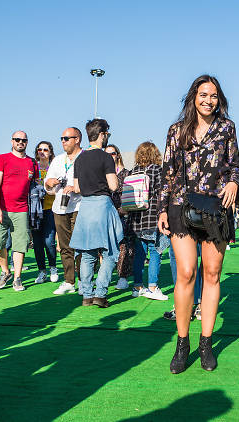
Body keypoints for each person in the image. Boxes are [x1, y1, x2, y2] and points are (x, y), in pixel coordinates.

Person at [157, 75, 239, 374]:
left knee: (213, 272)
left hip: (217, 208)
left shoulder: (227, 127)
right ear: (193, 96)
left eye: (214, 96)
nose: (208, 100)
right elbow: (168, 172)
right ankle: (183, 342)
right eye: (203, 94)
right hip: (181, 205)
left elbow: (234, 165)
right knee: (186, 271)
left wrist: (233, 183)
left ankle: (206, 342)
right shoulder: (176, 130)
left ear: (219, 99)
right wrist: (162, 209)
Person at [70, 118, 122, 308]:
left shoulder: (80, 158)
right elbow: (113, 185)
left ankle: (86, 295)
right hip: (102, 206)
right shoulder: (106, 157)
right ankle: (100, 294)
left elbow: (76, 187)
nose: (107, 137)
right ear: (101, 135)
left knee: (87, 254)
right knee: (108, 253)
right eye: (107, 134)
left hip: (86, 207)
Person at [0, 131, 37, 292]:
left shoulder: (32, 163)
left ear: (27, 142)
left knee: (20, 245)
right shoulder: (2, 159)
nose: (20, 142)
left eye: (23, 140)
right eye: (17, 139)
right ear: (12, 141)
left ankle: (17, 278)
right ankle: (5, 271)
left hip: (21, 209)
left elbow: (35, 186)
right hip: (1, 208)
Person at [126, 141, 168, 300]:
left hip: (135, 218)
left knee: (139, 254)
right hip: (152, 216)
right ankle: (152, 287)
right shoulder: (158, 170)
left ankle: (137, 286)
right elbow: (161, 193)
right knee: (155, 251)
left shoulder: (133, 171)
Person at [45, 127, 83, 295]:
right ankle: (69, 281)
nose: (63, 141)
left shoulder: (86, 157)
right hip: (60, 206)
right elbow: (46, 184)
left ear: (77, 139)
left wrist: (76, 188)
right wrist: (50, 182)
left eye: (67, 138)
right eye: (62, 138)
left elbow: (93, 182)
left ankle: (84, 280)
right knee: (65, 246)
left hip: (80, 206)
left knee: (82, 245)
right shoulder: (58, 160)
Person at [106, 144, 134, 289]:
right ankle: (107, 273)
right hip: (106, 214)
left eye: (112, 153)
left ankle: (123, 277)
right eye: (107, 154)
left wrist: (120, 211)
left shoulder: (127, 174)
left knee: (124, 245)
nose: (110, 156)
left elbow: (129, 198)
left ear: (118, 155)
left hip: (123, 214)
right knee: (105, 246)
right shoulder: (102, 174)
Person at [31, 140, 58, 284]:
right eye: (40, 149)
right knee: (37, 242)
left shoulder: (54, 167)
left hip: (50, 208)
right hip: (35, 210)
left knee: (49, 241)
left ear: (50, 152)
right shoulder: (32, 168)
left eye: (46, 150)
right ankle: (42, 271)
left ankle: (53, 267)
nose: (42, 152)